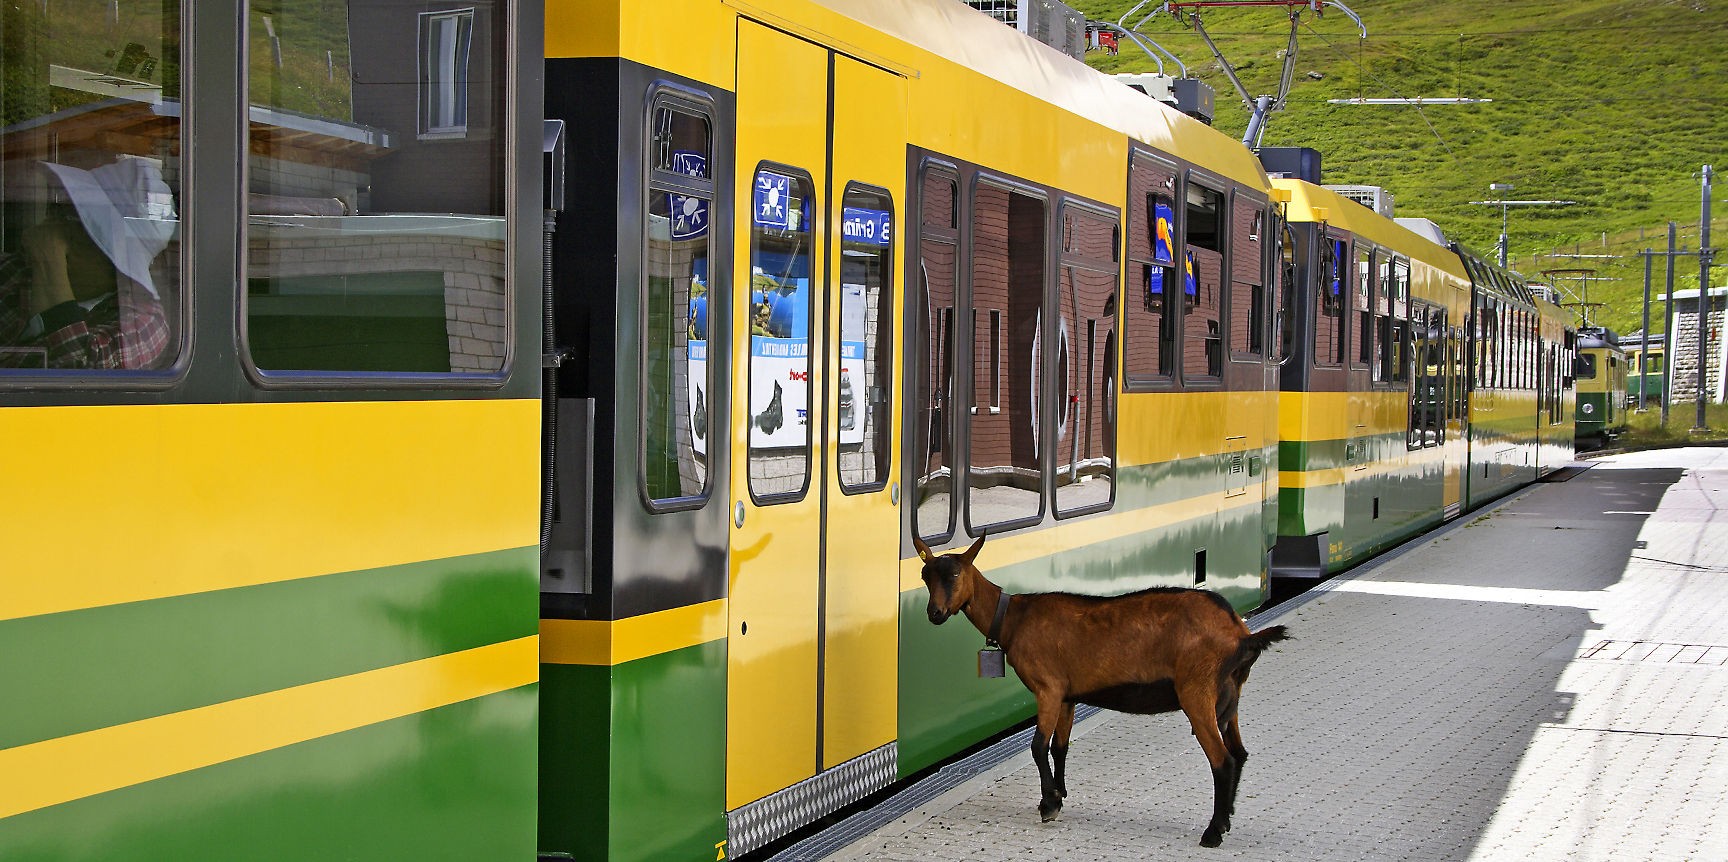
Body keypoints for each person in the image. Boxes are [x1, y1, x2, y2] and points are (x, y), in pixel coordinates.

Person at [0, 159, 172, 370]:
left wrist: (50, 266)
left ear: (115, 257)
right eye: (59, 211)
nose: (52, 227)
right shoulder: (16, 271)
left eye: (76, 219)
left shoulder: (143, 322)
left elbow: (78, 377)